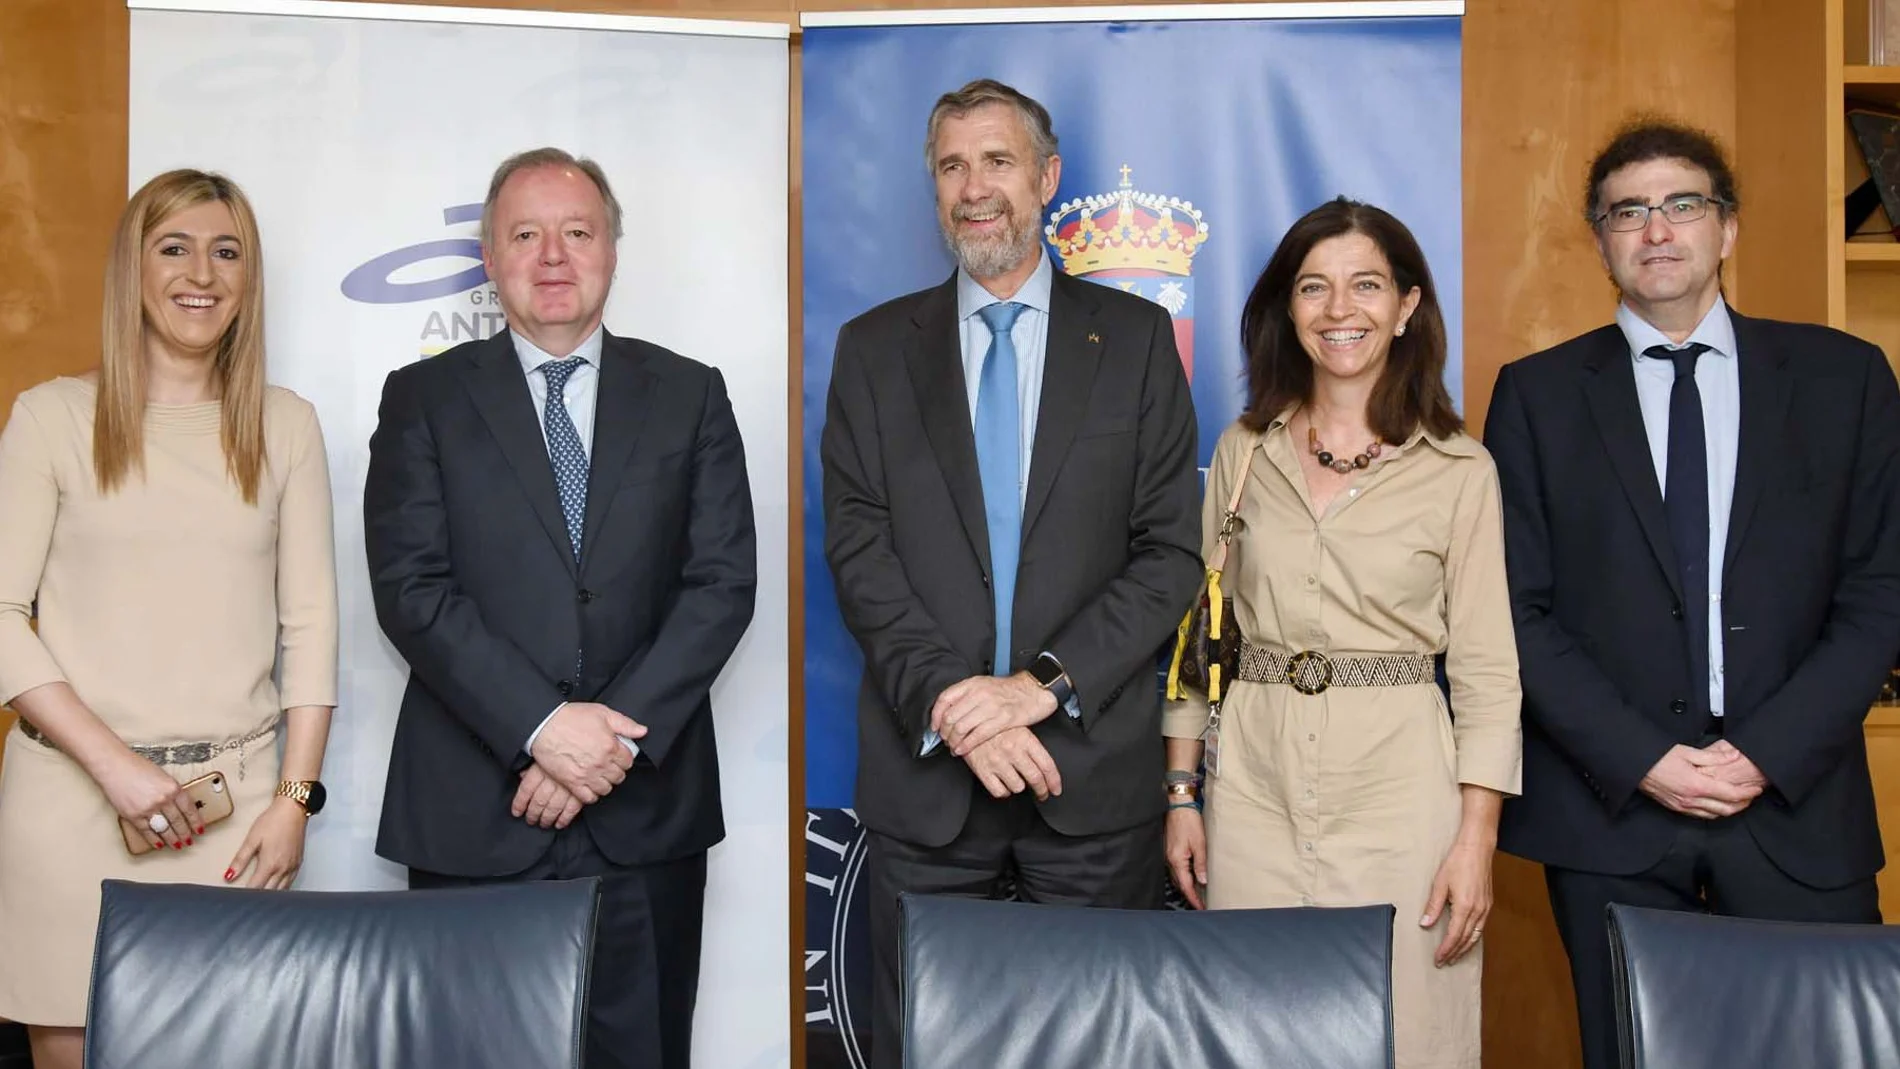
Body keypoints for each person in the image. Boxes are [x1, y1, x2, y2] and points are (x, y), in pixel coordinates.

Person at [1485, 116, 1900, 1069]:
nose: (1657, 229)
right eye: (1628, 212)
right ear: (1600, 241)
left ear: (1728, 227)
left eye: (1683, 205)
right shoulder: (1538, 397)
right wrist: (1644, 758)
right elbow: (1517, 609)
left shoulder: (1845, 379)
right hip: (1614, 814)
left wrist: (1761, 753)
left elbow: (1880, 592)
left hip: (1799, 807)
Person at [820, 78, 1202, 1069]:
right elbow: (858, 550)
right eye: (951, 166)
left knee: (1095, 1046)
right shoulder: (870, 351)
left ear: (1046, 178)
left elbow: (1170, 552)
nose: (974, 187)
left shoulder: (1133, 341)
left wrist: (1037, 689)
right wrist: (955, 701)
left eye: (996, 161)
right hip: (928, 780)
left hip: (1087, 777)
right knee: (925, 1046)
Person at [363, 147, 756, 1069]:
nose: (553, 256)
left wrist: (604, 744)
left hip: (645, 810)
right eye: (525, 235)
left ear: (611, 250)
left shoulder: (691, 393)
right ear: (491, 260)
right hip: (472, 809)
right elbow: (412, 590)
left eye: (577, 232)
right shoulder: (422, 398)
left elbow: (721, 583)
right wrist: (540, 726)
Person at [1163, 197, 1522, 1069]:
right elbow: (1200, 636)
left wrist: (1476, 841)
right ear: (1288, 309)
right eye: (1314, 287)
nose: (1339, 309)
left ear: (1406, 306)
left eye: (1365, 285)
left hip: (1401, 788)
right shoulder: (1243, 452)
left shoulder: (1461, 469)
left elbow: (1485, 669)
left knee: (1409, 1026)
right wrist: (1182, 795)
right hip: (1255, 783)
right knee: (1255, 1025)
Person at [0, 168, 338, 1069]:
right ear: (133, 269)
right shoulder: (50, 419)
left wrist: (295, 801)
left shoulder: (287, 426)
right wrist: (118, 771)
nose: (204, 273)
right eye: (175, 247)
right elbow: (0, 615)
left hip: (233, 816)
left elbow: (310, 635)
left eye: (228, 251)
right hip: (72, 806)